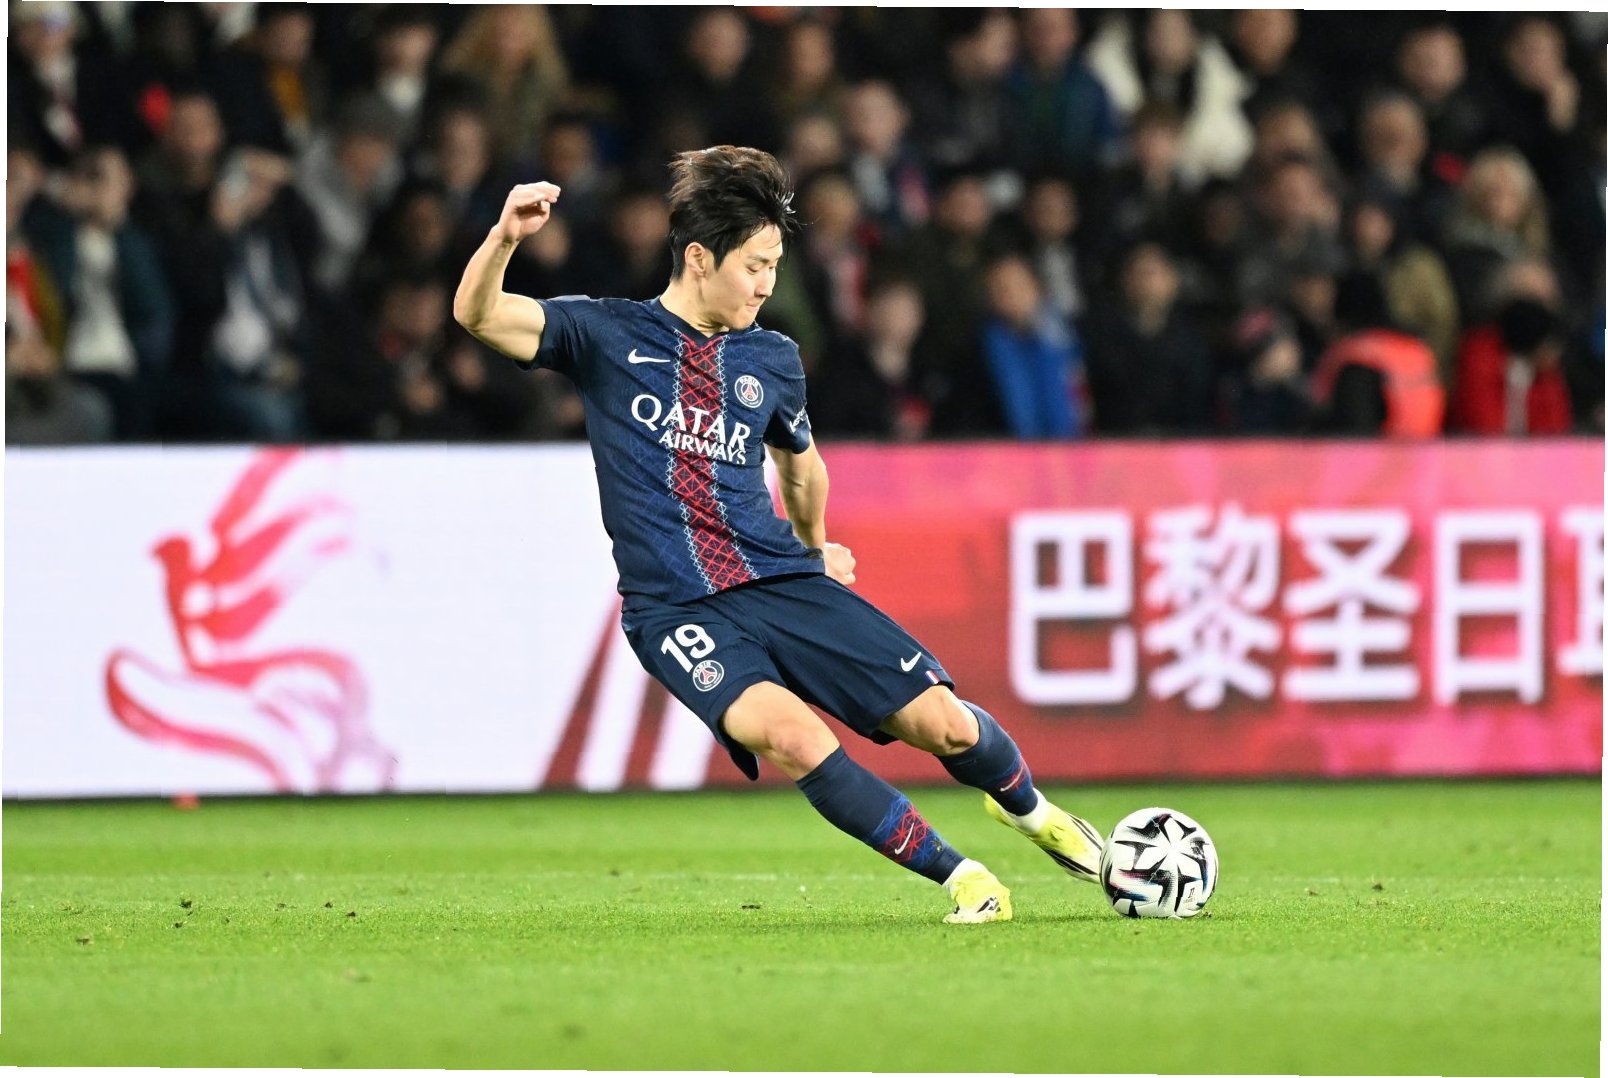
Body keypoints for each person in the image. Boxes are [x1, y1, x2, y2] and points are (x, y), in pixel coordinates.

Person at [453, 145, 1102, 925]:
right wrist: (505, 238)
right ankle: (964, 879)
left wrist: (814, 546)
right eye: (755, 265)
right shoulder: (605, 334)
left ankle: (1032, 812)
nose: (766, 284)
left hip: (780, 580)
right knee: (793, 737)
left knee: (943, 722)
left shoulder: (771, 357)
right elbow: (479, 315)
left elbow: (802, 468)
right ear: (700, 258)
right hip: (675, 609)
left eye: (774, 266)